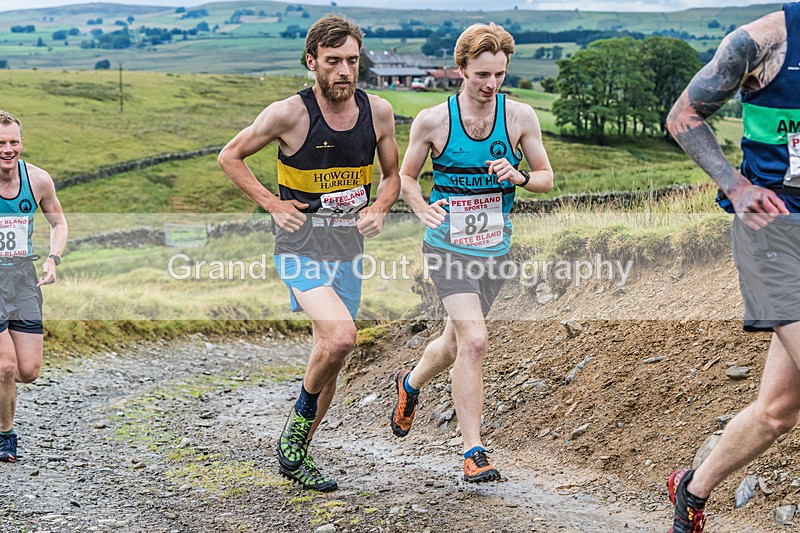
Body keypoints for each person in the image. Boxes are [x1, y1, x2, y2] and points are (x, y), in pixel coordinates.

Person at [218, 15, 400, 492]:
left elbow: (392, 177)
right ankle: (296, 432)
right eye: (334, 61)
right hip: (299, 247)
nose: (344, 70)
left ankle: (296, 453)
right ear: (312, 61)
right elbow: (229, 156)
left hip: (347, 250)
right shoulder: (289, 114)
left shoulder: (378, 111)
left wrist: (380, 207)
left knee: (329, 353)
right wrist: (272, 203)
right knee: (341, 339)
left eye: (352, 61)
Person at [389, 23, 553, 482]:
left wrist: (518, 177)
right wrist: (421, 207)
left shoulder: (519, 117)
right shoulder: (433, 121)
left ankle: (409, 383)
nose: (491, 84)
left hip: (494, 249)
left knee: (452, 343)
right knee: (476, 340)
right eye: (482, 74)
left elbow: (545, 177)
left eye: (499, 74)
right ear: (460, 69)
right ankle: (473, 451)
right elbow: (405, 178)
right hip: (447, 247)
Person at [666, 3, 800, 531]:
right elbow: (683, 115)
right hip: (774, 235)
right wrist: (736, 185)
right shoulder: (763, 41)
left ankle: (692, 489)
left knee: (776, 412)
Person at [0, 110, 68, 463]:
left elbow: (59, 223)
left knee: (27, 372)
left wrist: (53, 259)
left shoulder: (38, 180)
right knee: (5, 367)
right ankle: (5, 436)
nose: (8, 149)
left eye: (13, 142)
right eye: (0, 143)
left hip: (24, 276)